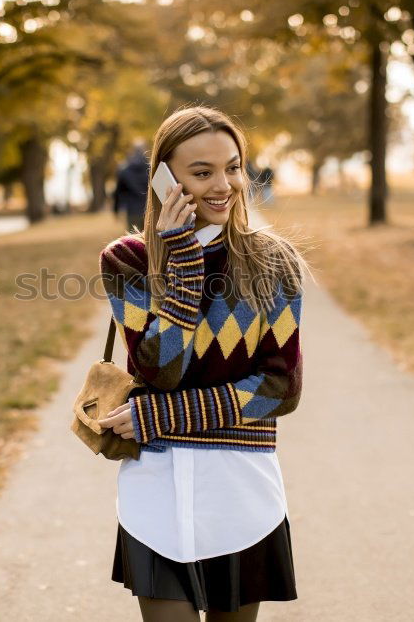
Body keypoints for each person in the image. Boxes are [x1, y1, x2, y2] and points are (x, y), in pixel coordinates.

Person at [98, 105, 310, 621]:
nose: (225, 185)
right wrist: (185, 264)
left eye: (233, 167)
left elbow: (281, 389)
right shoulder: (127, 261)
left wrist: (168, 416)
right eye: (201, 172)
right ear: (165, 180)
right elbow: (159, 371)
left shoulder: (272, 261)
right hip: (157, 492)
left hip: (242, 492)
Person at [114, 142, 150, 233]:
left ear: (132, 151)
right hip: (151, 210)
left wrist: (116, 209)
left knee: (134, 241)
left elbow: (119, 192)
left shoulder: (124, 170)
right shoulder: (153, 168)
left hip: (133, 211)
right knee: (152, 240)